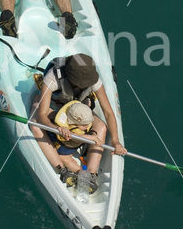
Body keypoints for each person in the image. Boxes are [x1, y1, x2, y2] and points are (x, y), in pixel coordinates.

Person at [30, 54, 127, 194]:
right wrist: (57, 128)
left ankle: (91, 175)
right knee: (35, 124)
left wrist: (116, 141)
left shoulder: (93, 79)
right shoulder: (52, 78)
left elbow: (108, 113)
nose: (87, 85)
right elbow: (42, 115)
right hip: (56, 107)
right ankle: (62, 169)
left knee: (101, 127)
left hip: (77, 108)